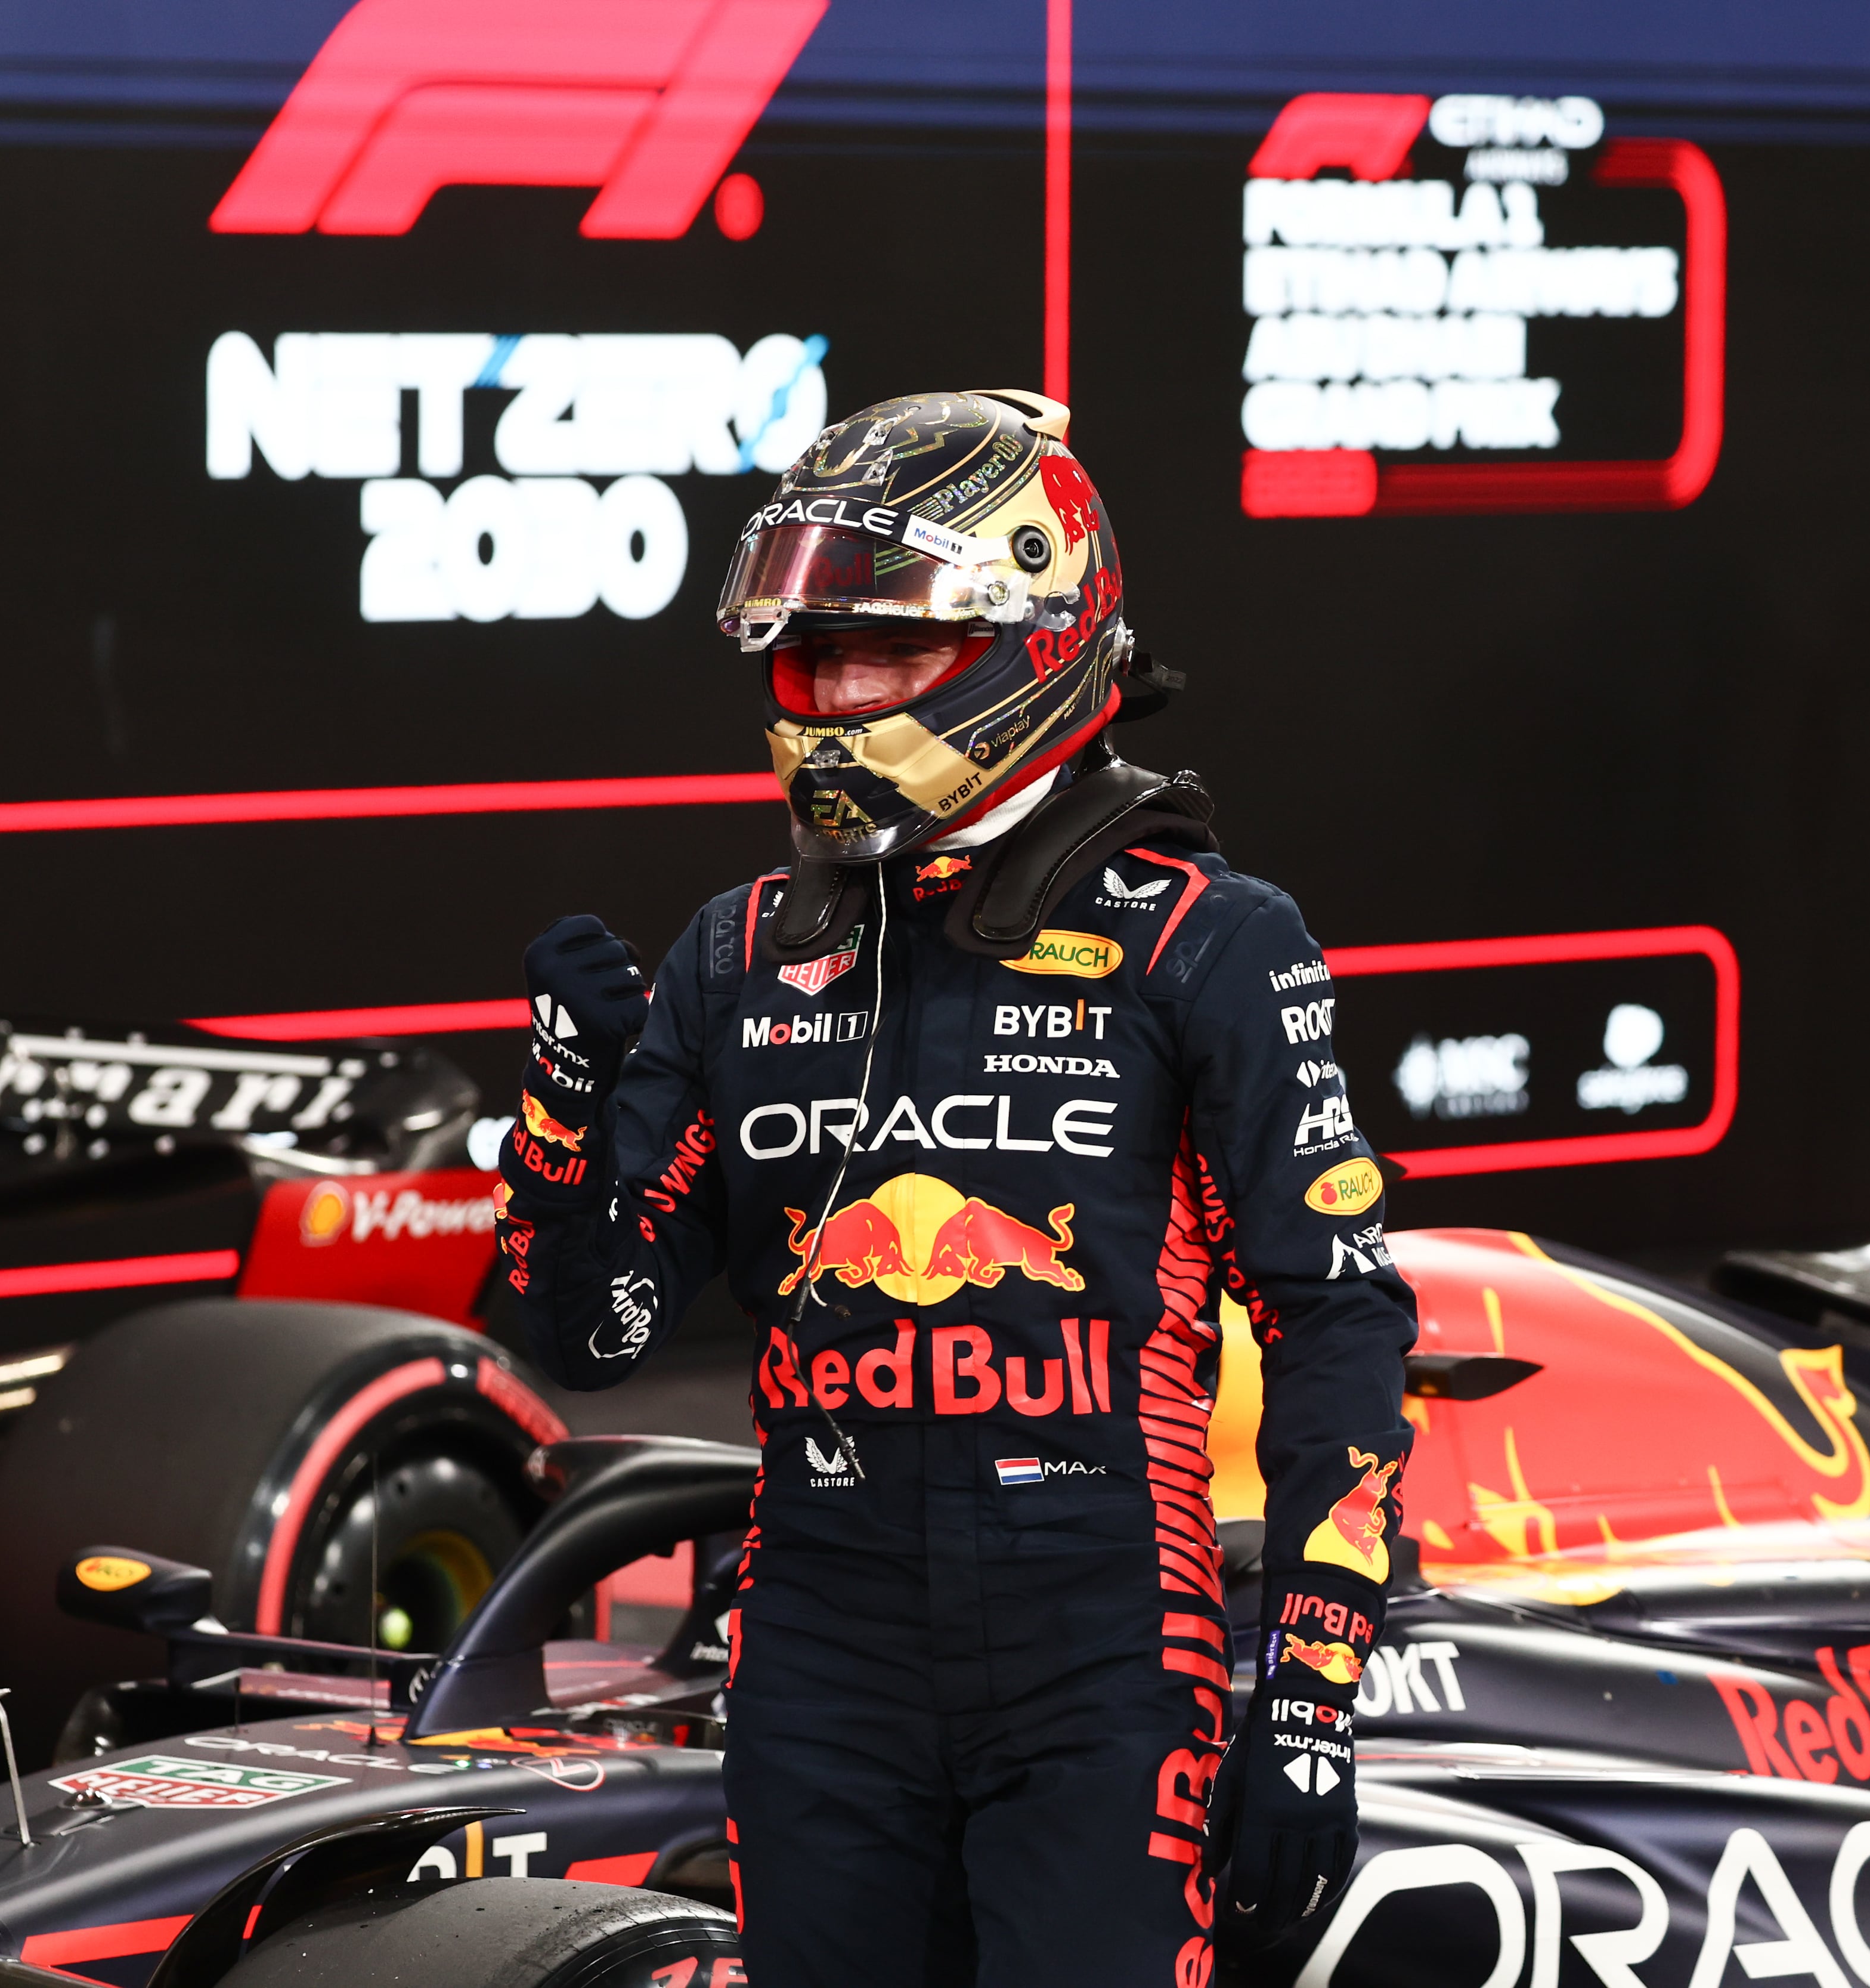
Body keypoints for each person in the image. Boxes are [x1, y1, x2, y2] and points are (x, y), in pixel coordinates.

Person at [491, 390, 1417, 1984]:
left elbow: (1339, 1322)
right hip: (821, 1654)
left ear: (1033, 632)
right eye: (807, 659)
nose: (833, 695)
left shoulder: (1207, 936)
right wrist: (564, 1111)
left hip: (1106, 1647)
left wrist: (1318, 1693)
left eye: (881, 653)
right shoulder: (733, 950)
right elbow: (595, 1327)